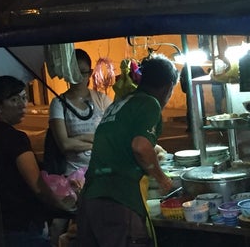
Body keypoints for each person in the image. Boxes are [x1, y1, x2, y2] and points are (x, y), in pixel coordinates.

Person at [75, 55, 178, 247]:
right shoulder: (149, 103)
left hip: (91, 199)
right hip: (118, 201)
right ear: (168, 87)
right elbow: (140, 146)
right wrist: (163, 179)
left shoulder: (120, 103)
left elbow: (120, 141)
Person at [0, 75, 73, 247]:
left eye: (24, 97)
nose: (22, 104)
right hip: (24, 223)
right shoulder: (15, 138)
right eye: (13, 99)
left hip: (1, 222)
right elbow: (37, 185)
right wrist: (63, 206)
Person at [47, 49, 111, 245]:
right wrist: (95, 139)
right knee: (64, 226)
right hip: (73, 179)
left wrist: (80, 138)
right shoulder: (58, 104)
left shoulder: (103, 100)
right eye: (74, 72)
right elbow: (65, 144)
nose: (78, 78)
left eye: (83, 72)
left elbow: (110, 138)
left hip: (102, 173)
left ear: (90, 73)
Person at [179, 65, 207, 132]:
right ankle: (200, 124)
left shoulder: (186, 68)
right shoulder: (196, 67)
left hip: (192, 90)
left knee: (192, 108)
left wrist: (184, 88)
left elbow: (182, 79)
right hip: (195, 90)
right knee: (197, 107)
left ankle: (192, 125)